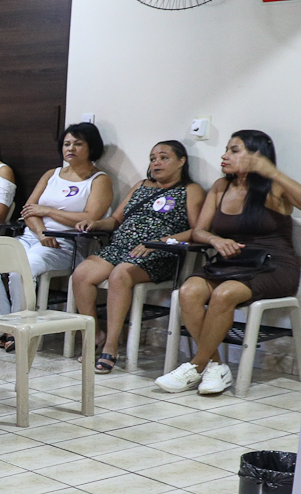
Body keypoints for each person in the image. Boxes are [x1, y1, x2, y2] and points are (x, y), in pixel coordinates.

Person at [157, 130, 301, 396]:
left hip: (274, 265)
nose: (224, 156)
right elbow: (199, 230)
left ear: (257, 155)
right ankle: (216, 366)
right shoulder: (221, 187)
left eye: (235, 150)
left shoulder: (275, 186)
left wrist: (271, 172)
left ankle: (196, 365)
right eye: (226, 149)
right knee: (189, 292)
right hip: (230, 263)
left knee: (224, 294)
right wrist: (215, 240)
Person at [71, 141, 205, 373]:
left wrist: (158, 243)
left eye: (164, 158)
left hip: (159, 253)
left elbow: (196, 230)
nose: (156, 163)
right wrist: (95, 223)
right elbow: (115, 220)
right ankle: (95, 335)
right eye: (153, 158)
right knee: (82, 273)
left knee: (121, 273)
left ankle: (111, 346)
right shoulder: (141, 185)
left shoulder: (190, 190)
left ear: (182, 161)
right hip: (121, 247)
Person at [0, 123, 113, 346]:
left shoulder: (99, 180)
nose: (71, 148)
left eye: (78, 144)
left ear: (92, 147)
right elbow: (29, 210)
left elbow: (89, 217)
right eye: (67, 144)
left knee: (22, 268)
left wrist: (48, 211)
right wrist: (41, 231)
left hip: (66, 244)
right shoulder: (52, 174)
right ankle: (2, 322)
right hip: (34, 236)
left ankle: (20, 330)